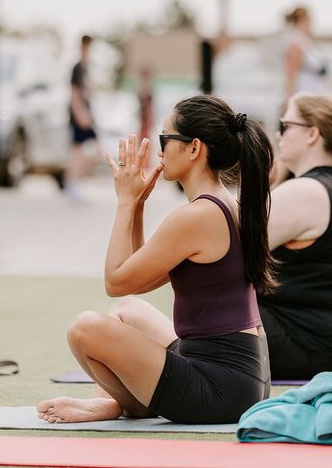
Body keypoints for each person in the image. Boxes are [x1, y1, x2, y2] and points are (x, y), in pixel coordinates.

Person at [37, 95, 274, 424]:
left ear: (193, 148)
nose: (159, 151)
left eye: (166, 139)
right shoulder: (221, 203)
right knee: (127, 310)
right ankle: (114, 401)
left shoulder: (198, 216)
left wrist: (124, 202)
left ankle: (122, 404)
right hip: (239, 377)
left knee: (85, 329)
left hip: (219, 388)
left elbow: (115, 281)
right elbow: (140, 278)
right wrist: (138, 206)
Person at [257, 93, 332, 380]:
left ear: (312, 134)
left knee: (216, 297)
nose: (278, 134)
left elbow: (225, 250)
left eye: (286, 124)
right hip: (329, 344)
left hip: (308, 343)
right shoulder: (330, 185)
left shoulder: (305, 191)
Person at [271, 6, 329, 186]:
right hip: (302, 104)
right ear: (302, 20)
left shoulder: (306, 42)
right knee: (290, 150)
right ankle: (269, 190)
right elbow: (291, 75)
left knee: (306, 148)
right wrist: (290, 104)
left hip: (313, 103)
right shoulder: (295, 43)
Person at [64, 35, 100, 200]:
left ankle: (73, 182)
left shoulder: (86, 69)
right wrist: (80, 115)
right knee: (79, 152)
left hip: (86, 115)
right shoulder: (77, 68)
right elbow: (75, 95)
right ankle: (71, 184)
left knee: (91, 152)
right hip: (79, 116)